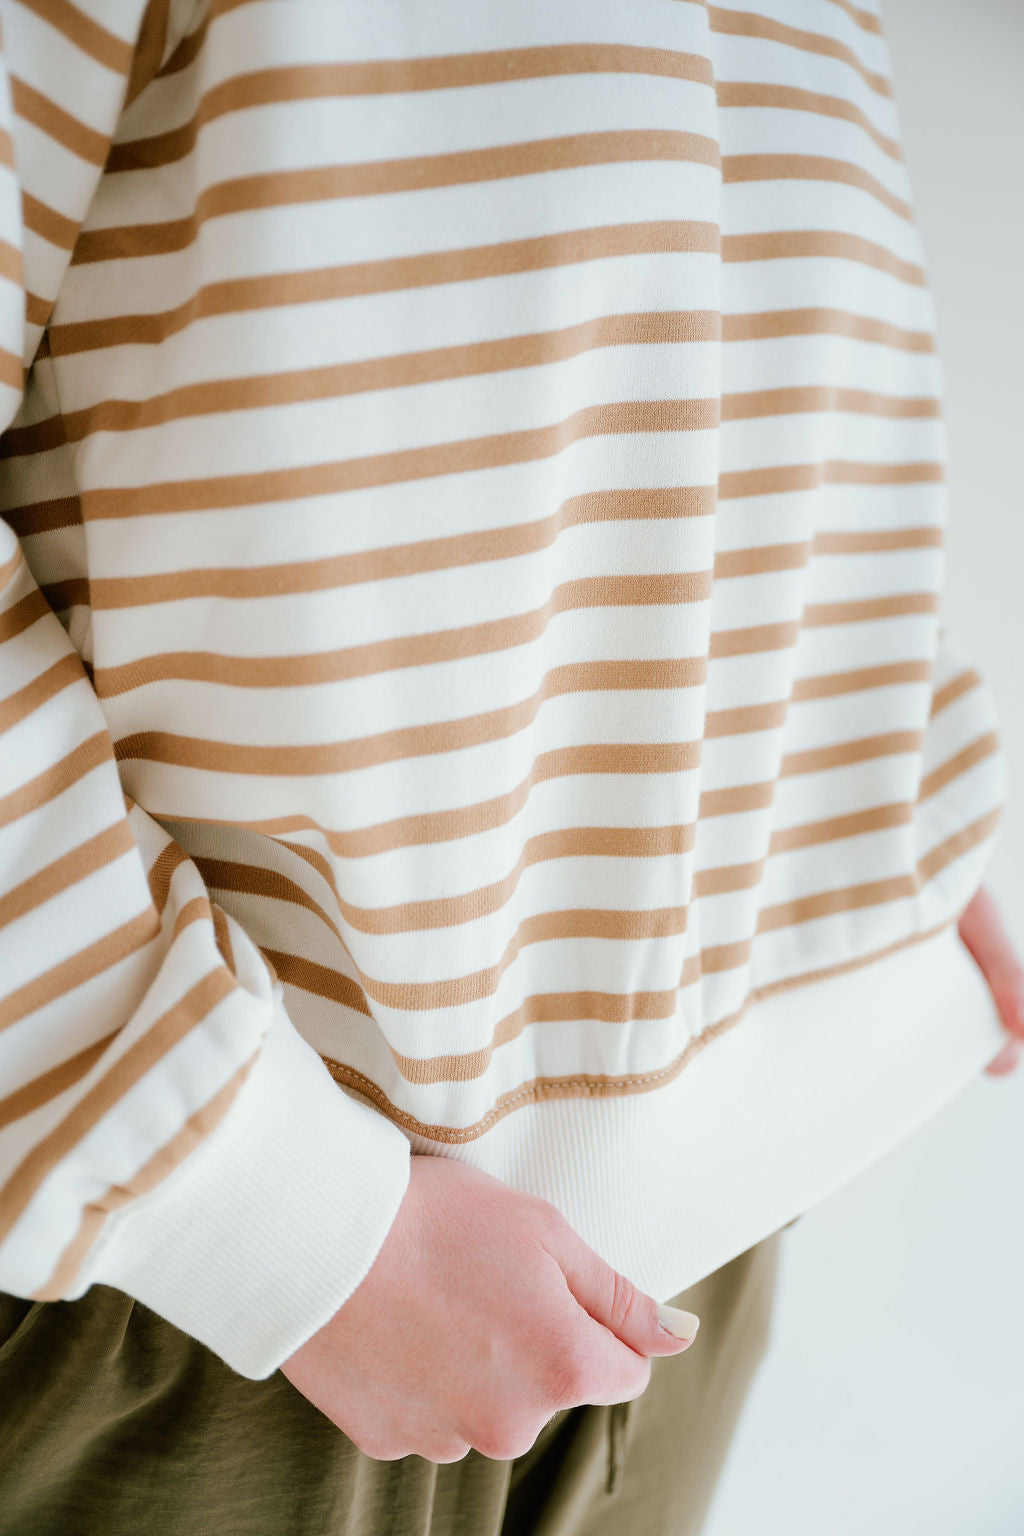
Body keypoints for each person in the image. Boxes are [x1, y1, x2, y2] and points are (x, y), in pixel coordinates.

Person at [0, 0, 1019, 1530]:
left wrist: (880, 805)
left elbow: (735, 317)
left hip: (701, 1247)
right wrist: (273, 1212)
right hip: (209, 1289)